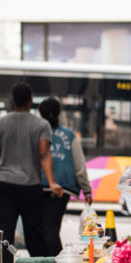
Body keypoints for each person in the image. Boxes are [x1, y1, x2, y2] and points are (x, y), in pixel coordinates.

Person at [0, 83, 63, 263]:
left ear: (13, 99)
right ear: (31, 100)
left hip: (5, 186)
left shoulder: (0, 124)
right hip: (30, 187)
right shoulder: (41, 125)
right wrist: (52, 182)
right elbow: (44, 154)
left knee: (4, 236)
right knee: (35, 235)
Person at [38, 97, 93, 253]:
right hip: (62, 190)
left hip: (39, 188)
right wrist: (86, 190)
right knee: (52, 230)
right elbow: (79, 165)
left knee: (43, 231)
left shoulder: (36, 133)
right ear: (59, 113)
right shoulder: (69, 135)